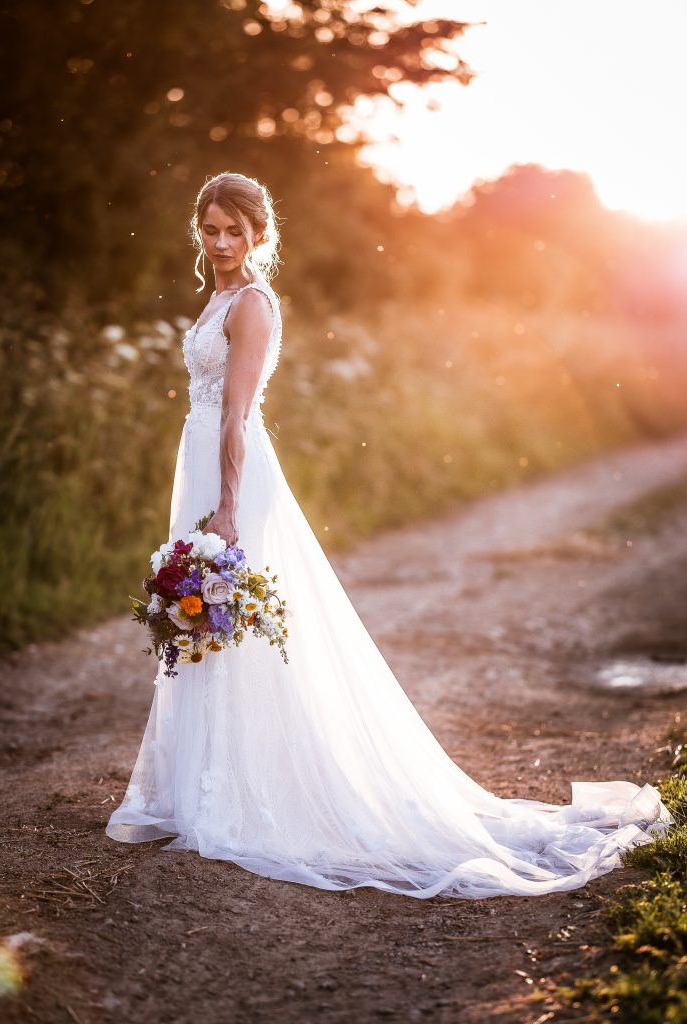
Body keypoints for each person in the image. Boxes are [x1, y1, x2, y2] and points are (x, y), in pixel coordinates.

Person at [105, 171, 671, 899]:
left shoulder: (251, 304)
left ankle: (251, 794)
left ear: (259, 234)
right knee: (212, 629)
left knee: (236, 624)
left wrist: (227, 510)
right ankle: (205, 787)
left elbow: (237, 415)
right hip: (201, 466)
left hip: (232, 477)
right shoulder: (216, 295)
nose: (220, 242)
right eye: (210, 229)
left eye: (234, 231)